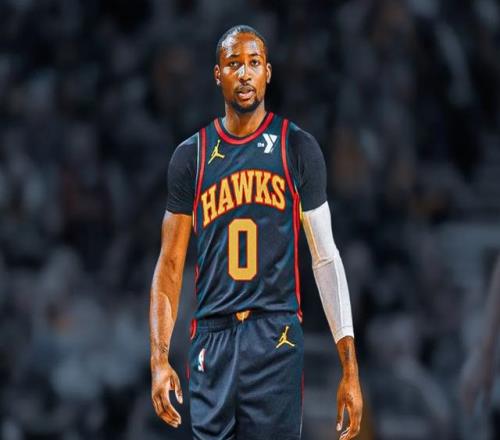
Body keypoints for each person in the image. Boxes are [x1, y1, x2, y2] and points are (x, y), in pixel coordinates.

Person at [149, 25, 363, 440]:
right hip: (212, 336)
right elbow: (170, 265)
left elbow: (325, 258)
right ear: (218, 75)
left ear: (268, 72)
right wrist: (159, 359)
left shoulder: (297, 147)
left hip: (275, 335)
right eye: (234, 64)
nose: (245, 73)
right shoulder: (191, 156)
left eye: (253, 63)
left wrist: (350, 369)